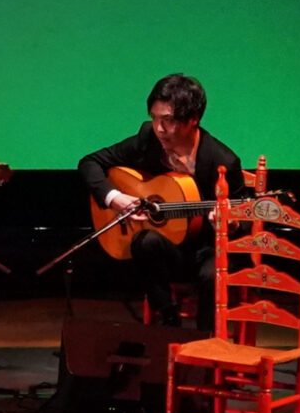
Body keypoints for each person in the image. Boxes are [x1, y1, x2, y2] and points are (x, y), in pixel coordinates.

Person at [77, 72, 244, 326]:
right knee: (144, 241)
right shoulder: (149, 139)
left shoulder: (223, 161)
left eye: (168, 121)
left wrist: (230, 224)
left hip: (207, 250)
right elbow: (90, 163)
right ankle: (168, 320)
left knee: (213, 273)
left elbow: (245, 223)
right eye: (154, 118)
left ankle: (205, 342)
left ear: (193, 120)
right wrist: (115, 197)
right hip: (169, 252)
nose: (159, 129)